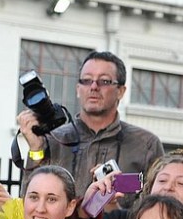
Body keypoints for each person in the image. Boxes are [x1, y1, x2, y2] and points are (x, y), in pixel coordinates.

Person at [17, 51, 164, 199]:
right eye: (87, 80)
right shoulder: (54, 139)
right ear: (77, 89)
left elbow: (157, 202)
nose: (93, 87)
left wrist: (116, 196)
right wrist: (36, 150)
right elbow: (29, 200)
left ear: (120, 91)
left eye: (104, 81)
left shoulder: (146, 145)